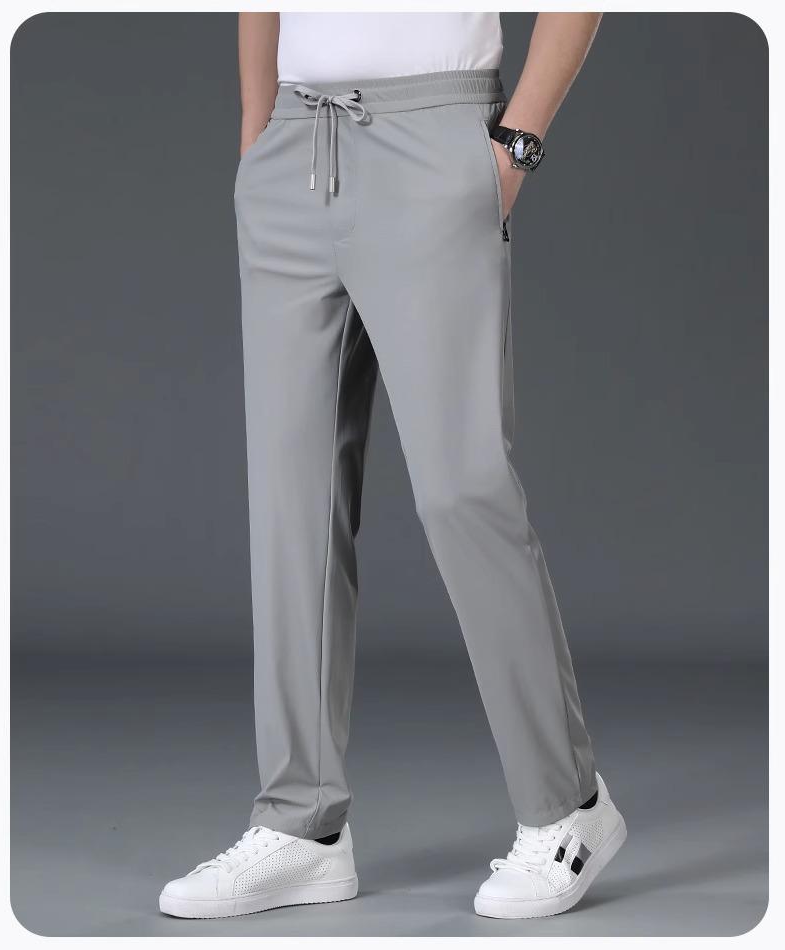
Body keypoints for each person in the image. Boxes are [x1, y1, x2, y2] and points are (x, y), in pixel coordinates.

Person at [160, 11, 625, 921]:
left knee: (462, 488)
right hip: (293, 142)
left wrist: (515, 146)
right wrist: (257, 138)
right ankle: (301, 826)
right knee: (291, 502)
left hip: (435, 139)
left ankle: (568, 805)